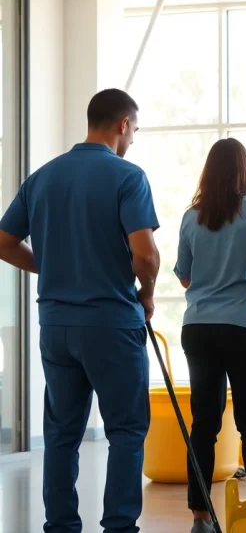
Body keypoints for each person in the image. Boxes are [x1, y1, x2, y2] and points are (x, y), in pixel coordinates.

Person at [0, 89, 160, 533]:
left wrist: (48, 267)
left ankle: (62, 527)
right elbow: (145, 256)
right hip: (111, 323)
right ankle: (119, 528)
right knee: (126, 432)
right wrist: (146, 295)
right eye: (135, 130)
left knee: (61, 435)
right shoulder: (128, 177)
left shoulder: (42, 178)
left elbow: (4, 241)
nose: (132, 140)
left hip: (55, 326)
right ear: (123, 124)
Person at [173, 138, 246, 533]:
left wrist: (209, 283)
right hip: (241, 325)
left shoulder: (193, 217)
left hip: (199, 327)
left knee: (203, 425)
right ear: (245, 170)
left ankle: (200, 518)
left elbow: (184, 274)